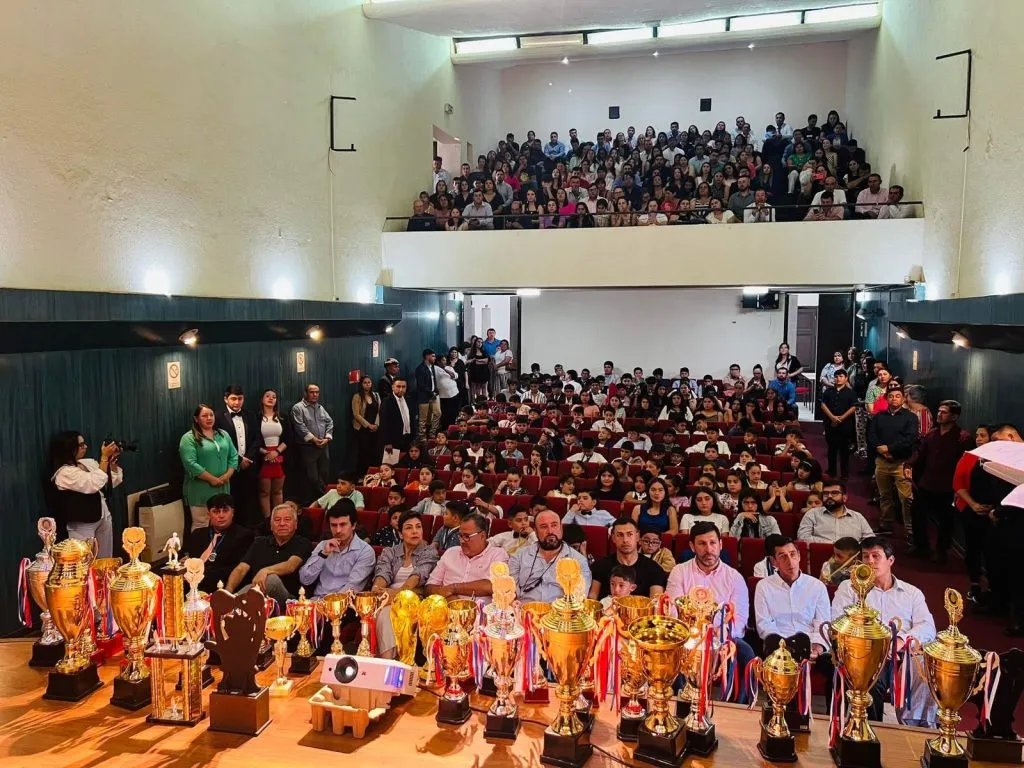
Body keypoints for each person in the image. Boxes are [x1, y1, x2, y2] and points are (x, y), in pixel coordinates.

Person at [830, 537, 936, 724]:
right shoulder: (849, 588)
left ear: (890, 560)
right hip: (865, 655)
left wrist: (900, 641)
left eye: (876, 556)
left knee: (929, 671)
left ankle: (917, 728)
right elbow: (837, 621)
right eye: (866, 556)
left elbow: (927, 627)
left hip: (903, 655)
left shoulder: (911, 593)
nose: (870, 561)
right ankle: (870, 729)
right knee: (871, 680)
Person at [666, 522, 755, 702]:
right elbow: (673, 611)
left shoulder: (734, 577)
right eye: (702, 544)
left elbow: (739, 619)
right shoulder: (679, 572)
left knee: (746, 653)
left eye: (713, 543)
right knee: (672, 647)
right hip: (687, 636)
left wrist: (720, 634)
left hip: (722, 637)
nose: (709, 549)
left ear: (720, 544)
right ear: (692, 546)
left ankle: (735, 708)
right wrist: (692, 635)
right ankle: (682, 703)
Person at [905, 400, 972, 561]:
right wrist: (909, 465)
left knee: (946, 520)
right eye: (939, 411)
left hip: (948, 486)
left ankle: (941, 550)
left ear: (954, 417)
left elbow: (964, 464)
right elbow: (921, 455)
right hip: (927, 482)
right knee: (917, 513)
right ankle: (921, 546)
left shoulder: (962, 437)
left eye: (944, 412)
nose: (939, 414)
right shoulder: (932, 434)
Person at [372, 510, 440, 658]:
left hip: (413, 599)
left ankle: (387, 661)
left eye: (418, 527)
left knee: (385, 614)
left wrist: (392, 596)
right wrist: (377, 590)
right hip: (388, 597)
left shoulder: (429, 552)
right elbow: (382, 574)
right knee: (378, 612)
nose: (415, 531)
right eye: (409, 527)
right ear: (401, 534)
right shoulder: (389, 552)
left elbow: (417, 576)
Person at [48, 431, 123, 557]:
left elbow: (108, 482)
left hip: (102, 515)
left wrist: (111, 464)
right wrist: (104, 458)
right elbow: (93, 484)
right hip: (82, 523)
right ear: (70, 449)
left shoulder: (87, 463)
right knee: (84, 560)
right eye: (81, 445)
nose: (85, 447)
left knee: (105, 558)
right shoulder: (64, 473)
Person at [226, 502, 313, 610]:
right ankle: (228, 601)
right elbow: (241, 569)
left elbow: (290, 566)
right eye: (277, 520)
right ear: (271, 525)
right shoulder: (260, 542)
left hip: (287, 601)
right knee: (234, 590)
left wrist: (265, 571)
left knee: (271, 579)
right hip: (257, 595)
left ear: (296, 524)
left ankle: (232, 607)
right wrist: (228, 591)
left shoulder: (302, 543)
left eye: (287, 520)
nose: (282, 523)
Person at [754, 538, 830, 661]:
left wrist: (817, 647)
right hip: (778, 648)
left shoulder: (817, 586)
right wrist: (783, 647)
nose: (790, 561)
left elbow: (823, 624)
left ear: (799, 556)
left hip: (809, 645)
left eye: (792, 554)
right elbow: (764, 624)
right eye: (783, 556)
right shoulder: (764, 586)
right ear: (774, 562)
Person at [868, 382, 919, 534]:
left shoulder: (910, 417)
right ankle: (886, 525)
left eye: (897, 396)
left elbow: (910, 438)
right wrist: (882, 450)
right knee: (884, 496)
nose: (894, 399)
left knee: (906, 498)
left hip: (901, 463)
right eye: (891, 396)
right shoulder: (879, 416)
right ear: (886, 398)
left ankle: (910, 530)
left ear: (903, 399)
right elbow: (871, 436)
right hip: (882, 461)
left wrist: (890, 449)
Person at [179, 404, 239, 532]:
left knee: (222, 524)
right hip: (201, 490)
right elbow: (190, 463)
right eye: (204, 416)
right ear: (196, 419)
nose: (209, 418)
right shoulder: (188, 438)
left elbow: (234, 456)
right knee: (201, 524)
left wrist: (228, 475)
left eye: (211, 415)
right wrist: (211, 479)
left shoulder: (223, 434)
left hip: (223, 486)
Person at [509, 510, 592, 602]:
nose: (550, 531)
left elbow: (580, 598)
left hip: (562, 610)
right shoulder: (518, 557)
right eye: (544, 527)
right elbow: (510, 594)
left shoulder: (578, 561)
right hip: (524, 609)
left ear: (561, 528)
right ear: (535, 531)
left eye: (554, 525)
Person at [299, 500, 375, 598]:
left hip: (344, 604)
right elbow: (305, 580)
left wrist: (325, 603)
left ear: (354, 525)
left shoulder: (365, 551)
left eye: (343, 525)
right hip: (316, 600)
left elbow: (352, 588)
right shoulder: (323, 546)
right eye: (334, 525)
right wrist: (323, 554)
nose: (338, 530)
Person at [426, 511, 509, 600]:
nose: (462, 541)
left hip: (480, 608)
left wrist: (454, 588)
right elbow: (429, 587)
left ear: (482, 536)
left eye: (467, 536)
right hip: (446, 605)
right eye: (460, 536)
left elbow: (495, 586)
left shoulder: (497, 554)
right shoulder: (451, 552)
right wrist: (451, 599)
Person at [183, 493, 255, 593]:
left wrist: (202, 575)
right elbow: (184, 555)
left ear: (232, 513)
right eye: (216, 512)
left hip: (221, 585)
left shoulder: (244, 535)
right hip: (191, 583)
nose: (221, 515)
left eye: (225, 511)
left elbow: (238, 568)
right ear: (209, 514)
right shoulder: (197, 534)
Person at [215, 385, 262, 525]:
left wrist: (249, 458)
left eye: (240, 399)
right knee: (231, 500)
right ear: (226, 399)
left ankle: (248, 529)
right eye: (233, 399)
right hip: (229, 467)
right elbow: (221, 443)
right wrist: (239, 459)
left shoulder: (250, 415)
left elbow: (257, 438)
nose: (237, 402)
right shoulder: (218, 417)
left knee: (250, 500)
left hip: (250, 465)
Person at [589, 518, 667, 600]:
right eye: (620, 535)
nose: (625, 540)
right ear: (613, 538)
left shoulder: (654, 569)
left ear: (637, 536)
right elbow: (592, 598)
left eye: (629, 534)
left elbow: (656, 603)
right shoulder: (600, 565)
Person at [291, 384, 334, 505]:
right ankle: (313, 503)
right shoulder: (298, 408)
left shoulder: (320, 408)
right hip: (308, 448)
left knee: (324, 475)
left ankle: (322, 503)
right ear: (306, 393)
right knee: (312, 478)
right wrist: (313, 439)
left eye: (317, 392)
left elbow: (330, 422)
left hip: (323, 446)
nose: (315, 395)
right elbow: (299, 426)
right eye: (312, 392)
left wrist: (327, 438)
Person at [797, 481, 874, 543]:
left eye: (834, 493)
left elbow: (870, 540)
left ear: (844, 497)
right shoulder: (812, 514)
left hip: (852, 556)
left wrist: (850, 547)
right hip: (821, 554)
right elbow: (803, 537)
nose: (829, 496)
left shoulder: (858, 517)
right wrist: (832, 544)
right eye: (826, 493)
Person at [254, 389, 287, 519]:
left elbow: (289, 438)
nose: (271, 398)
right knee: (264, 492)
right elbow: (252, 439)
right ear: (262, 399)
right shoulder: (256, 417)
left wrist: (276, 452)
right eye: (267, 396)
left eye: (274, 396)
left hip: (279, 455)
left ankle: (278, 518)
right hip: (263, 456)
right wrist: (266, 453)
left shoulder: (282, 417)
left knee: (278, 491)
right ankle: (267, 521)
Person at [820, 368, 857, 480]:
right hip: (830, 424)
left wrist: (841, 418)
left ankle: (844, 473)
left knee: (844, 451)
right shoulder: (828, 391)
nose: (838, 379)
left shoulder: (851, 392)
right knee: (831, 450)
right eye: (836, 377)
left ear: (846, 378)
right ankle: (832, 470)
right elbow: (823, 405)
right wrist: (832, 417)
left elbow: (853, 407)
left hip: (845, 425)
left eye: (841, 376)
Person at [380, 377, 414, 459]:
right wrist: (387, 442)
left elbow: (412, 420)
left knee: (406, 464)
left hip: (408, 439)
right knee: (392, 463)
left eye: (403, 387)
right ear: (392, 387)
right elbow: (384, 423)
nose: (401, 389)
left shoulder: (409, 400)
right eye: (398, 386)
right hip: (393, 441)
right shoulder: (386, 401)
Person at [414, 349, 442, 442]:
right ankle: (422, 436)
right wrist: (431, 392)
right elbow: (421, 385)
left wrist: (435, 391)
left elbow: (433, 380)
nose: (435, 358)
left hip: (434, 394)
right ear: (427, 356)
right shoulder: (420, 369)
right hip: (424, 396)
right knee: (423, 418)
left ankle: (432, 433)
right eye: (433, 356)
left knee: (438, 413)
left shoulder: (432, 367)